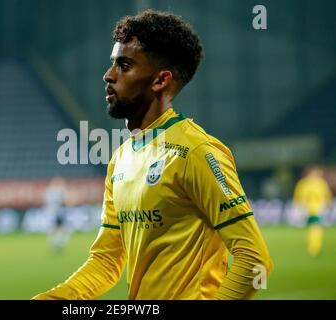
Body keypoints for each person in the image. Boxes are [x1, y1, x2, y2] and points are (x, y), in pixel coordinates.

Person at [34, 10, 272, 300]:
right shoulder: (120, 158)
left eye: (124, 65)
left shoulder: (196, 152)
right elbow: (106, 262)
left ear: (160, 81)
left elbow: (254, 259)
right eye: (113, 63)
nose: (108, 75)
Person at [293, 167, 333, 257]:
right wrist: (328, 205)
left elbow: (298, 196)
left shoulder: (303, 183)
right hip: (317, 209)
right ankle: (314, 248)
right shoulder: (320, 183)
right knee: (316, 228)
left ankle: (313, 247)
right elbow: (327, 196)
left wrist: (299, 207)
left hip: (307, 209)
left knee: (312, 227)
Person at [43, 176, 70, 253]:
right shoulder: (60, 191)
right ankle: (58, 243)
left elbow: (46, 202)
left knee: (54, 229)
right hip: (58, 213)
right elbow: (65, 201)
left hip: (51, 213)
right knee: (62, 229)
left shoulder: (49, 191)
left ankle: (54, 244)